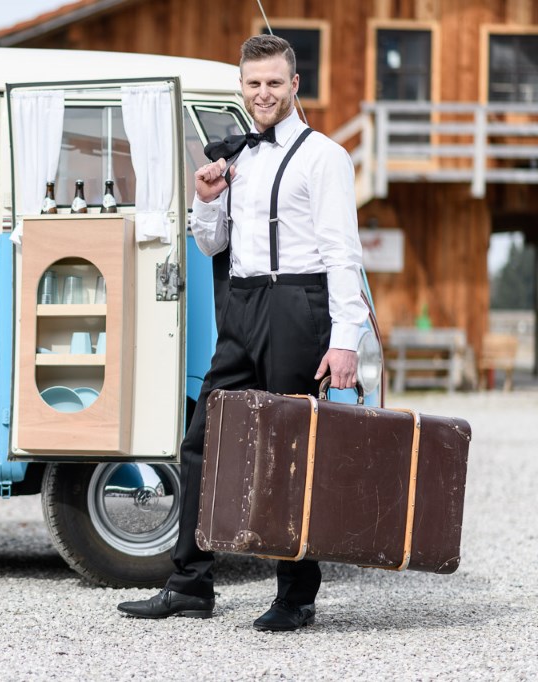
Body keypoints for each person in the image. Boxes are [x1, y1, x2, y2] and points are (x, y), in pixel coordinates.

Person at [117, 35, 368, 631]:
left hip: (298, 306)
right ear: (242, 87)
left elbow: (342, 254)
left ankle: (296, 596)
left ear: (294, 86)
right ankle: (189, 585)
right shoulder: (239, 160)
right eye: (254, 83)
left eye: (274, 83)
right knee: (202, 442)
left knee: (287, 452)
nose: (263, 93)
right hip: (244, 305)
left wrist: (345, 340)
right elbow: (212, 245)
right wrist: (206, 202)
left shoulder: (324, 156)